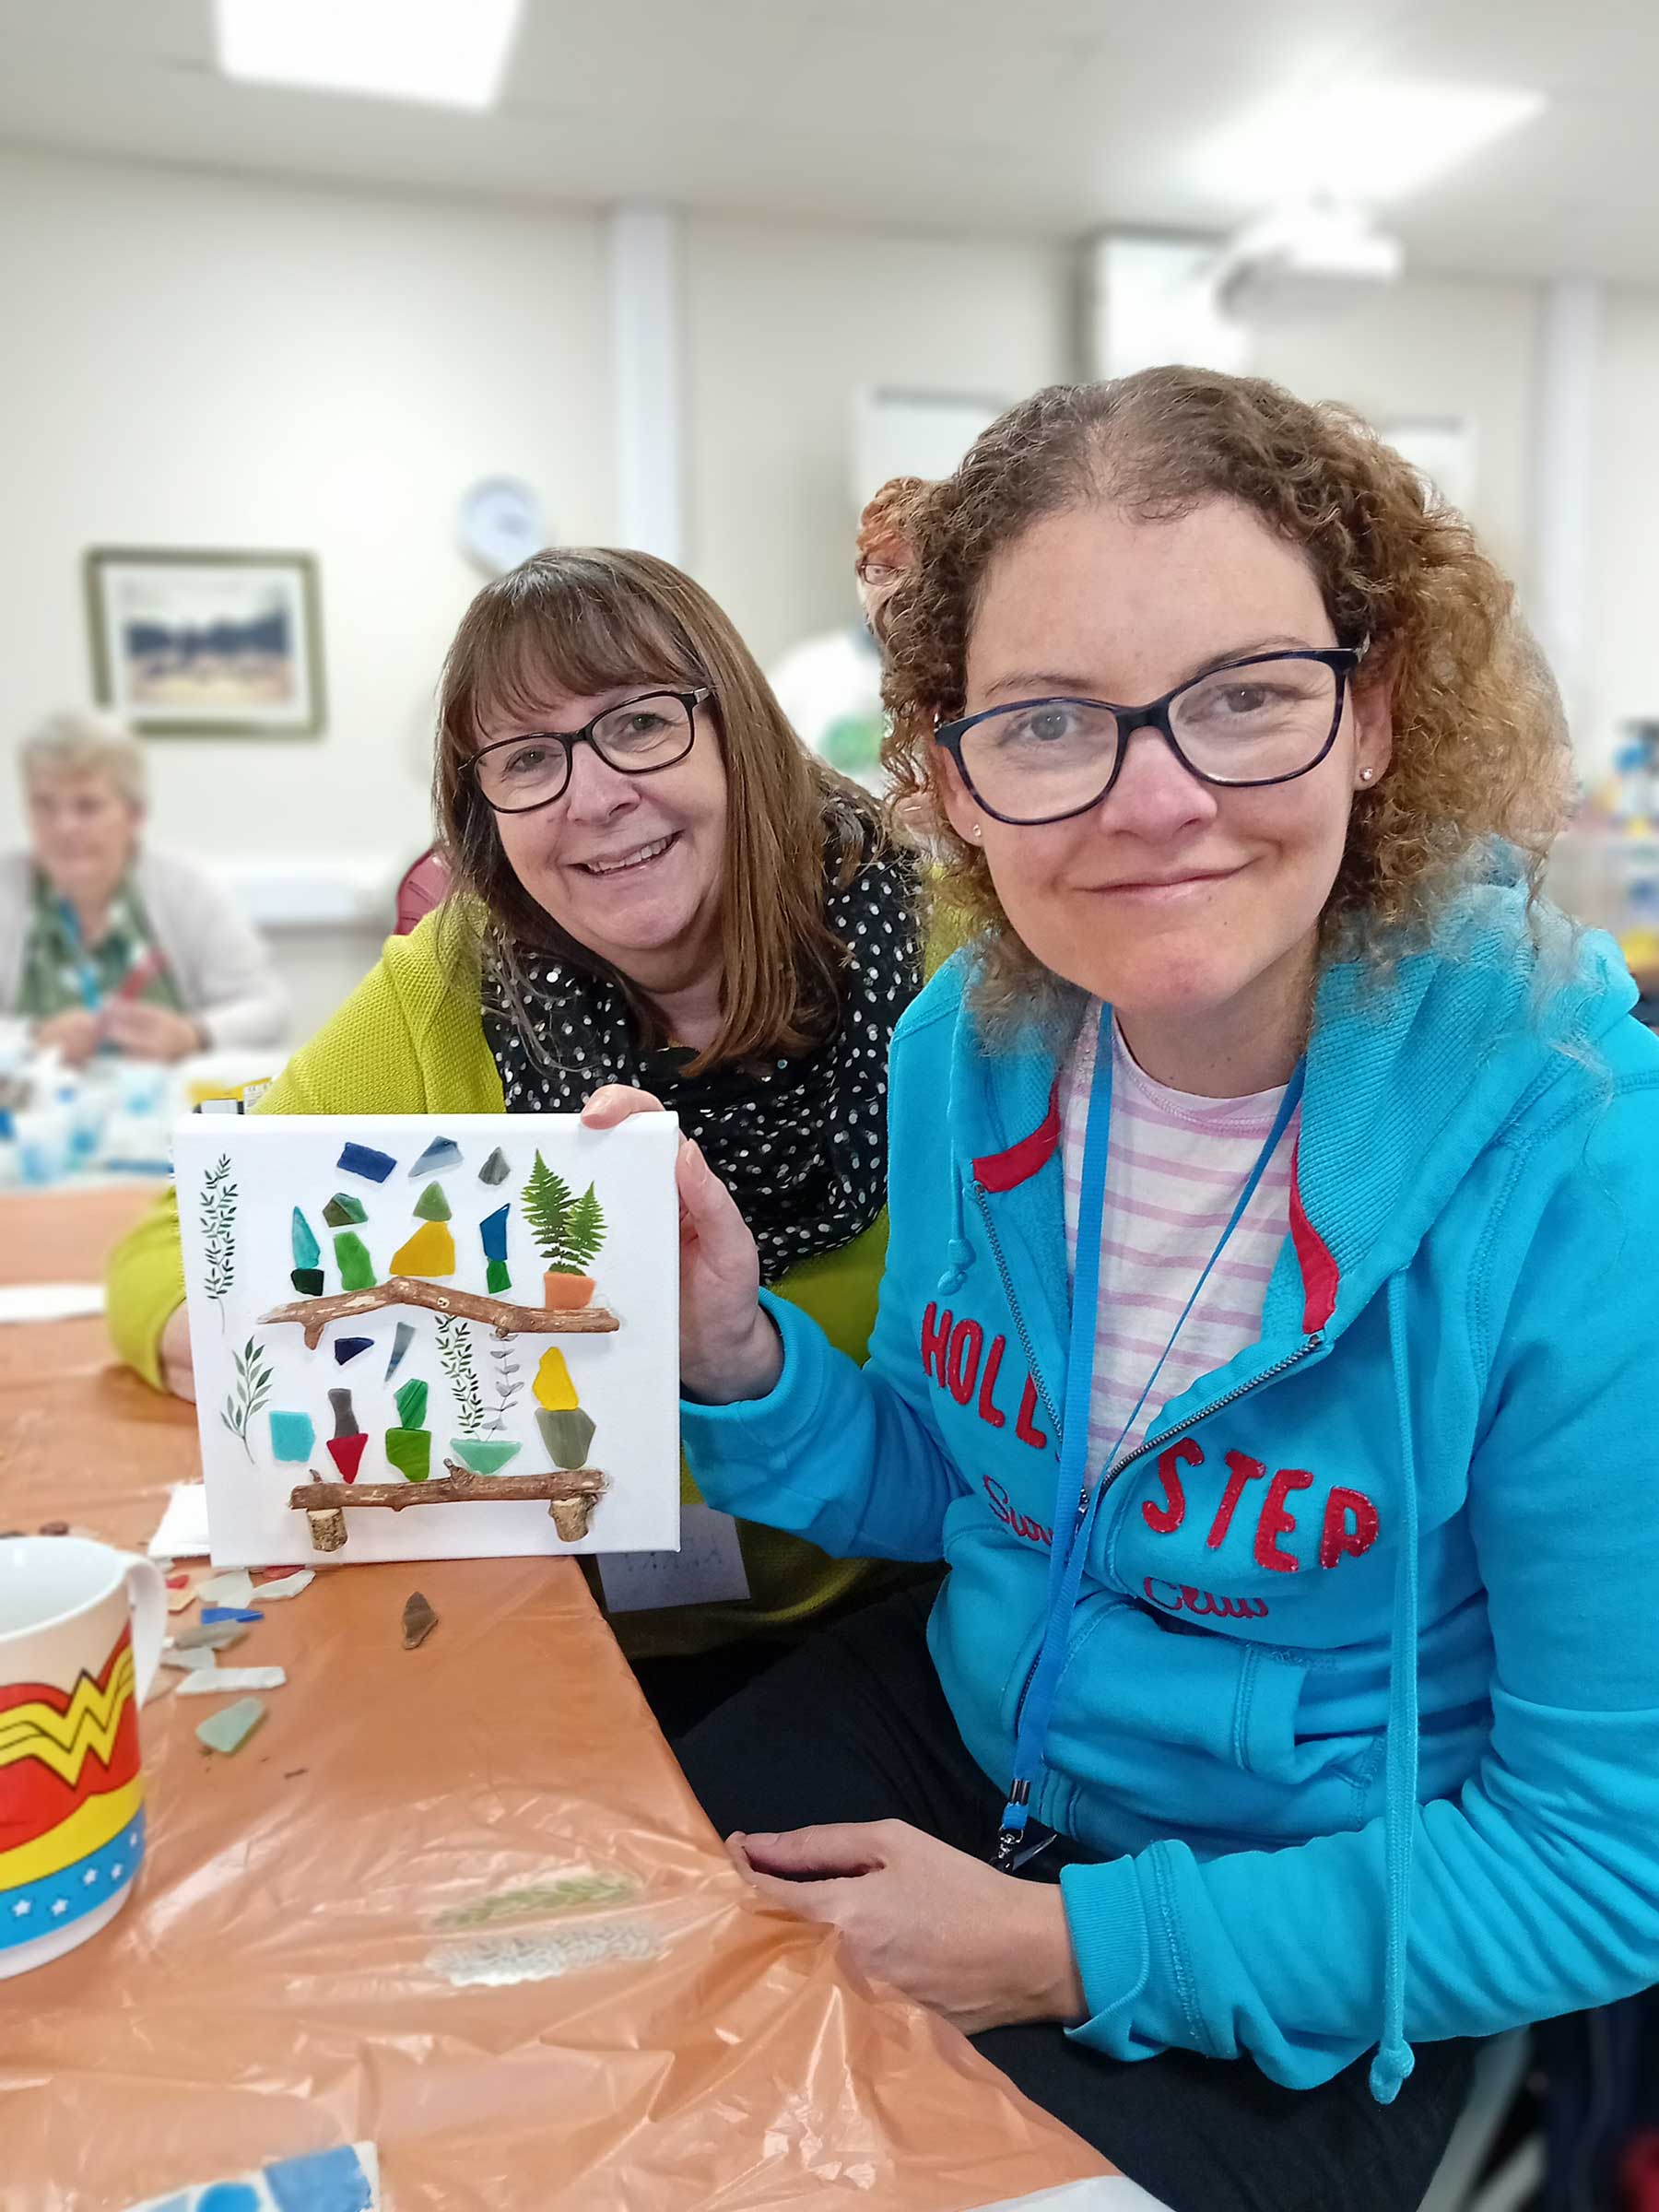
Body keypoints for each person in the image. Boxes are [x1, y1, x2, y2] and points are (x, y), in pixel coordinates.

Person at [583, 369, 1659, 2211]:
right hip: (970, 1732)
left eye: (1246, 699)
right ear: (949, 770)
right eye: (1051, 723)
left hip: (1315, 1921)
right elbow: (962, 1482)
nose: (1155, 803)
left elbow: (1598, 1865)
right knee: (566, 1991)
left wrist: (1060, 1949)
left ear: (1375, 715)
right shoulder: (969, 1048)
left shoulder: (1578, 1171)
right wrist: (739, 1353)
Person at [107, 548, 925, 1722]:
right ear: (483, 809)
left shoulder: (955, 976)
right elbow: (179, 1233)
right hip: (557, 1629)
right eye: (529, 759)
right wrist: (220, 1331)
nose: (592, 797)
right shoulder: (458, 981)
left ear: (737, 732)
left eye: (640, 725)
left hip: (886, 1631)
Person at [2, 710, 287, 1063]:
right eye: (44, 805)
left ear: (135, 815)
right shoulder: (7, 890)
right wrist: (32, 1038)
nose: (63, 827)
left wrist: (193, 1034)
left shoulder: (186, 888)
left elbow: (269, 1010)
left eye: (87, 806)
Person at [766, 477, 928, 791]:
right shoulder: (803, 675)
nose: (896, 590)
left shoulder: (969, 679)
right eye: (880, 571)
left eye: (913, 570)